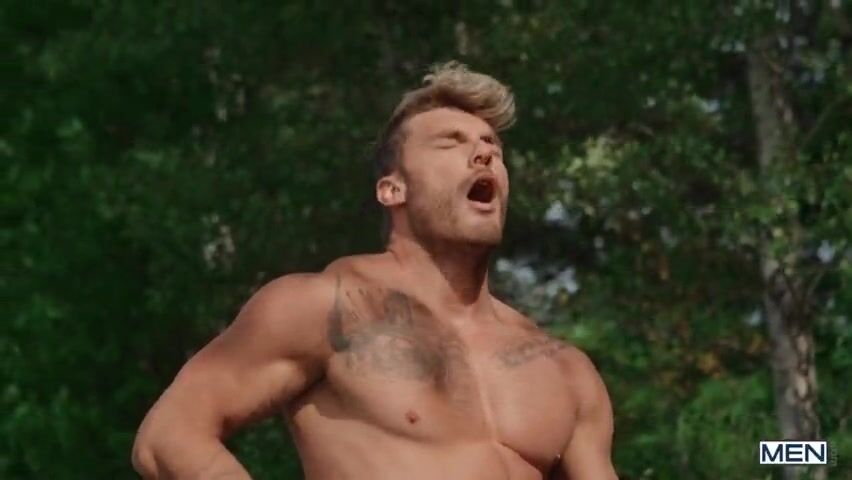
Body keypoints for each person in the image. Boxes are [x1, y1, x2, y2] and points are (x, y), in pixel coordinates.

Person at [132, 61, 617, 480]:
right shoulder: (324, 306)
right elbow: (170, 436)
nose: (484, 153)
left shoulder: (564, 368)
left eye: (493, 145)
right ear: (393, 190)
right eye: (450, 143)